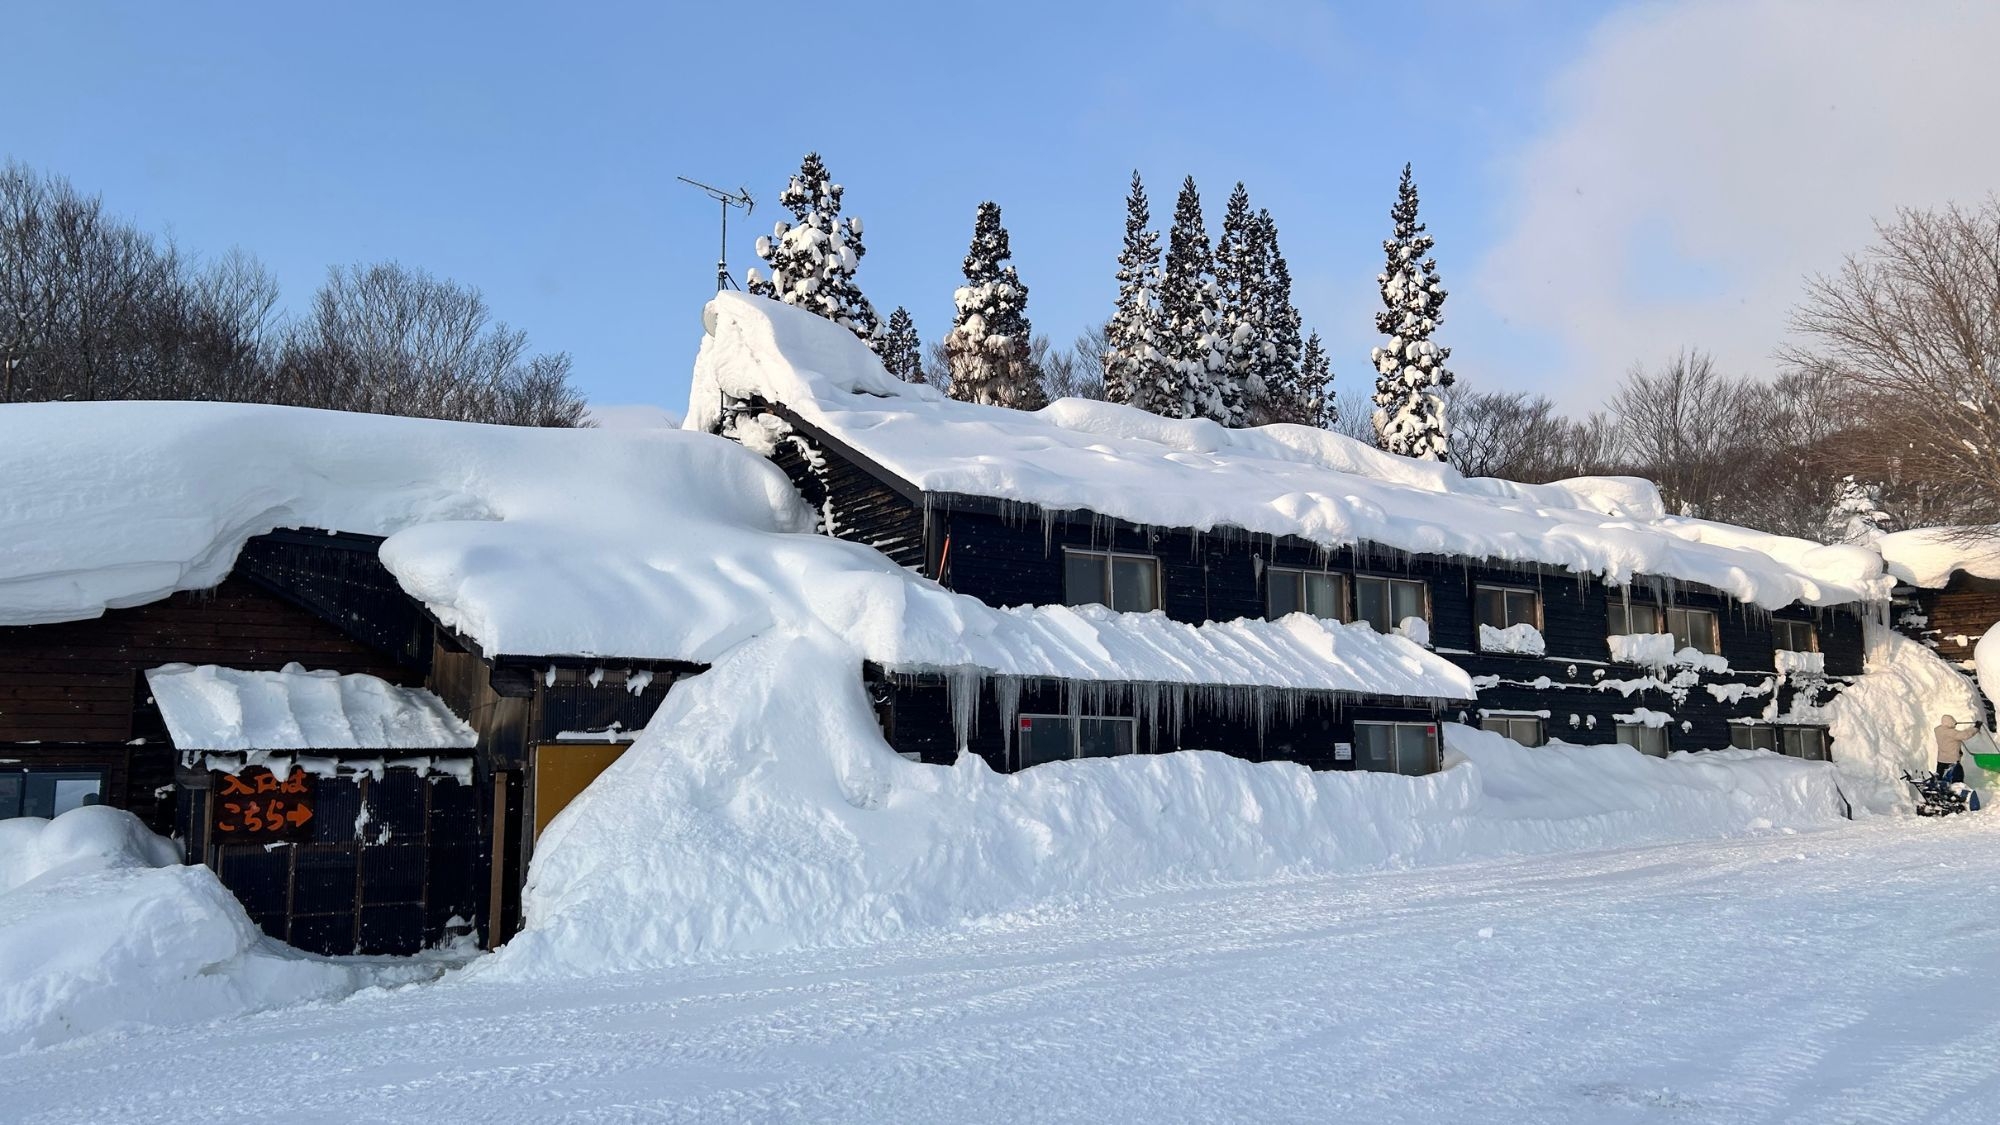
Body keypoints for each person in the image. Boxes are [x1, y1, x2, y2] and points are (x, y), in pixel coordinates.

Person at [1934, 714, 1978, 786]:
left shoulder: (1938, 730)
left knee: (1940, 778)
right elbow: (1965, 735)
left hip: (1941, 760)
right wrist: (1976, 728)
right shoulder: (1951, 732)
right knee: (1957, 780)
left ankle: (1940, 790)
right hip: (1952, 760)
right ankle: (1957, 790)